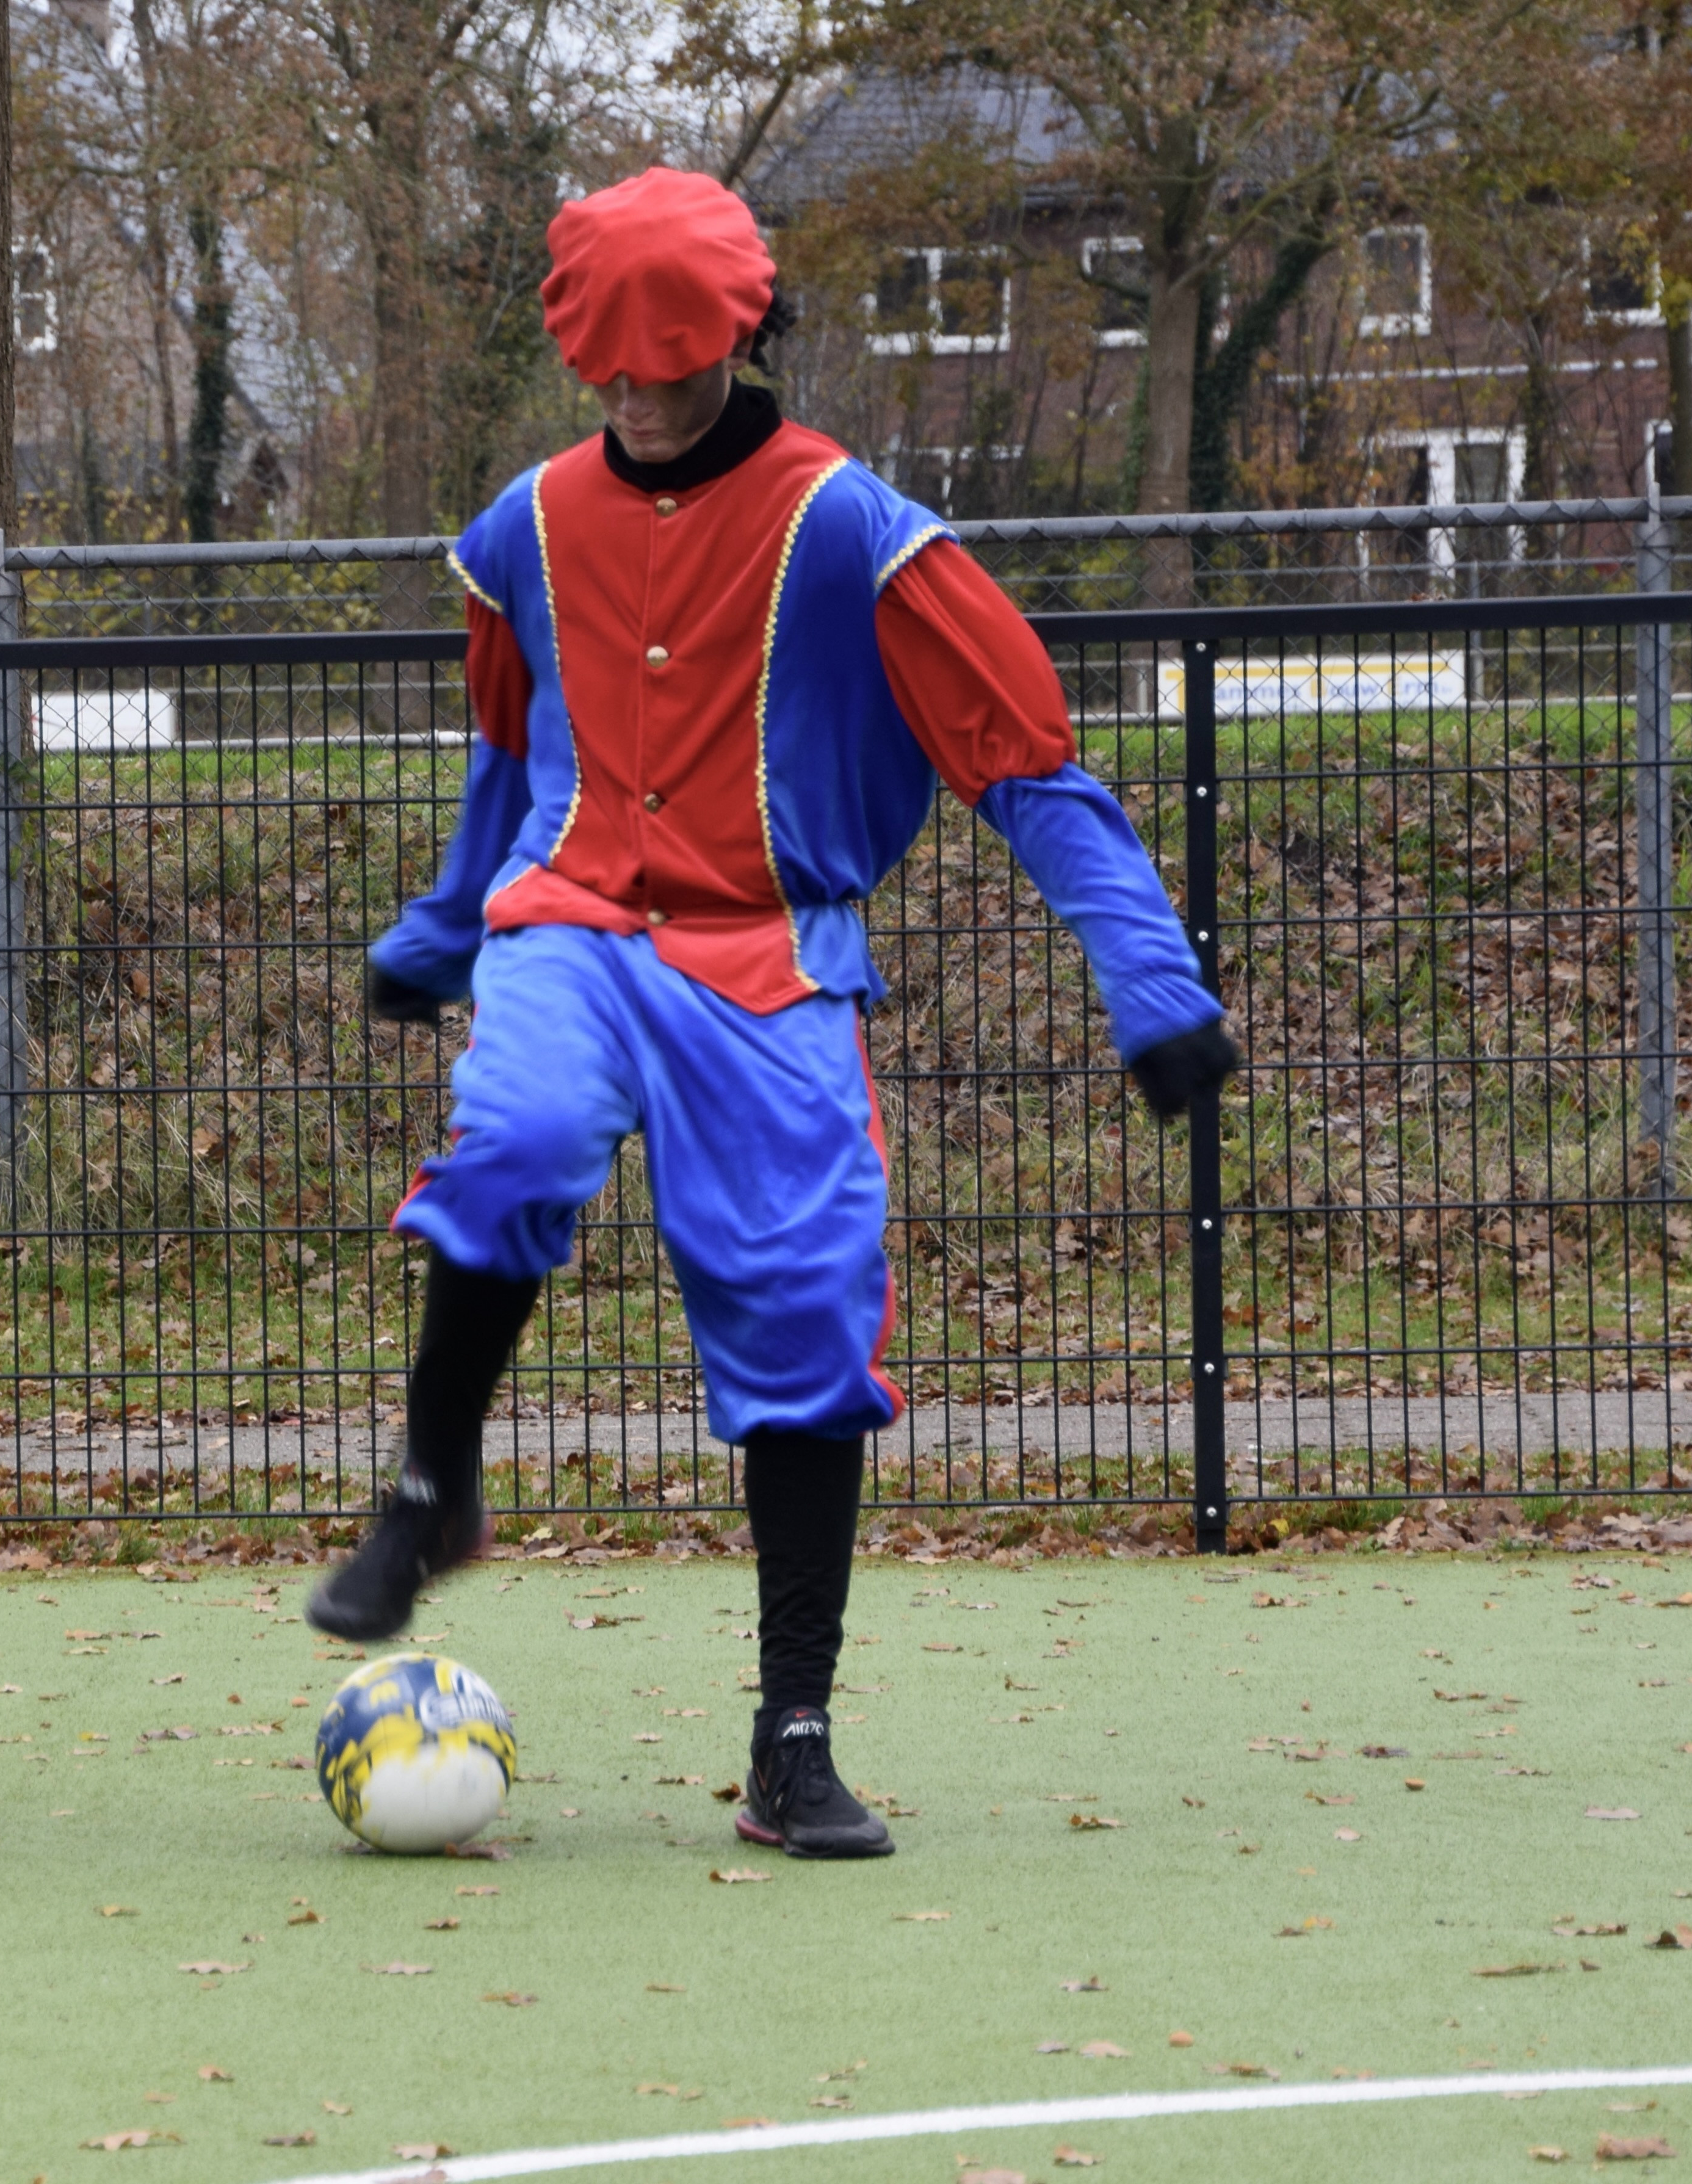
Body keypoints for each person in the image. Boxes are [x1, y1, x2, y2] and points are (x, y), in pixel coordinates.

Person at [308, 168, 1237, 1861]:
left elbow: (1027, 766)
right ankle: (432, 1493)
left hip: (766, 955)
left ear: (741, 338)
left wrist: (1150, 982)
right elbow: (512, 755)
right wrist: (445, 927)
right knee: (515, 1136)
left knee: (808, 1310)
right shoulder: (523, 528)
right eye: (611, 371)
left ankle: (790, 1739)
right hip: (571, 923)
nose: (641, 398)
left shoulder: (856, 530)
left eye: (672, 367)